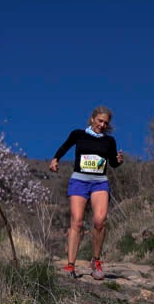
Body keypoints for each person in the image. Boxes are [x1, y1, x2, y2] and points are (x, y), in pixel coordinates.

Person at [49, 106, 125, 280]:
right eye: (100, 121)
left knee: (100, 221)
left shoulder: (109, 141)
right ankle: (70, 265)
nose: (102, 125)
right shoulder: (78, 134)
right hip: (79, 181)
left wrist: (118, 161)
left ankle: (96, 261)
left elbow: (113, 163)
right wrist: (55, 159)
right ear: (92, 119)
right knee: (77, 222)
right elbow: (65, 146)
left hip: (100, 182)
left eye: (106, 123)